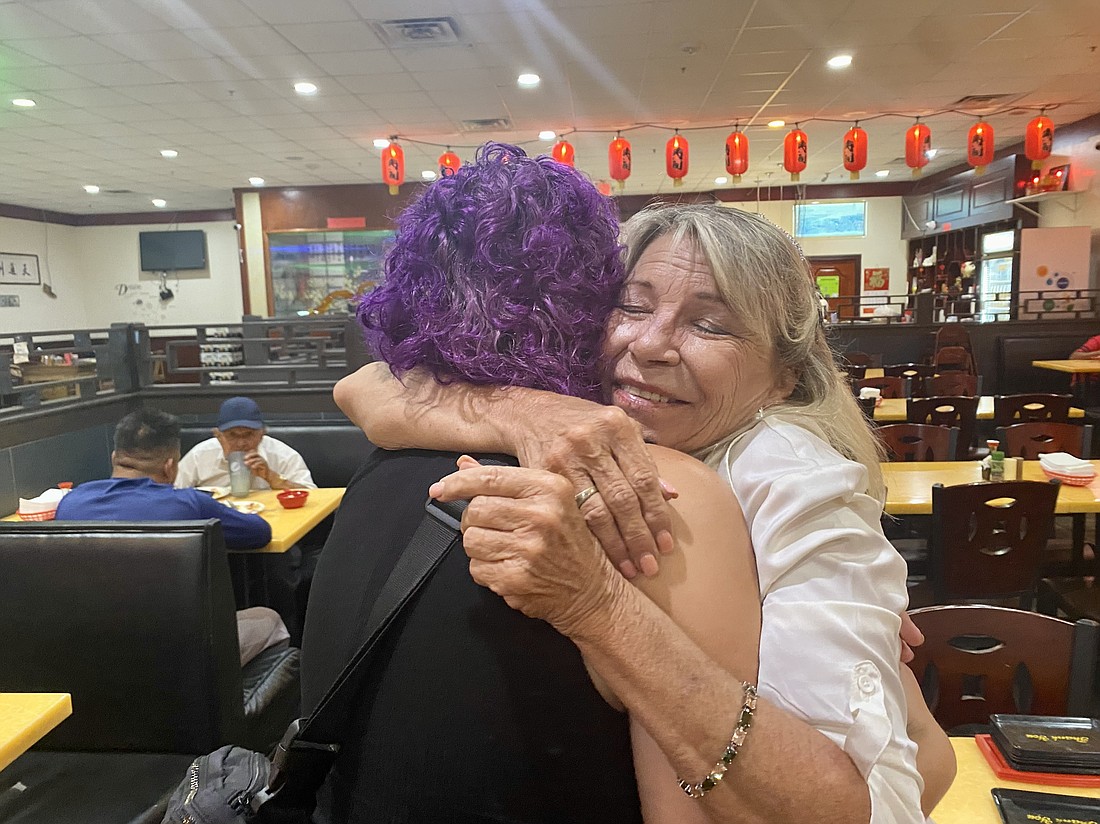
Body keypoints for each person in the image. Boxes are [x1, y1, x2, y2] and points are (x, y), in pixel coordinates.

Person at [338, 201, 956, 821]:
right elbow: (365, 388)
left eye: (710, 325)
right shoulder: (617, 444)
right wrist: (526, 411)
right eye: (632, 306)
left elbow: (901, 786)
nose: (652, 343)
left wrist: (597, 603)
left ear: (783, 378)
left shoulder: (791, 481)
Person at [303, 144, 763, 823]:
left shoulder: (381, 461)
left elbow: (362, 387)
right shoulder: (651, 488)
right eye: (632, 304)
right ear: (591, 304)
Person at [56, 407, 289, 666]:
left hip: (87, 651)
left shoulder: (71, 504)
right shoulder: (189, 504)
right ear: (170, 467)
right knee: (269, 620)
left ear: (114, 457)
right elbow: (259, 533)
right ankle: (228, 702)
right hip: (176, 653)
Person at [175, 396, 316, 491]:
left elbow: (315, 498)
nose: (241, 443)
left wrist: (274, 479)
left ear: (262, 433)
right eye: (232, 435)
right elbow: (173, 492)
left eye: (249, 434)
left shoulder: (283, 455)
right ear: (218, 436)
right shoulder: (200, 455)